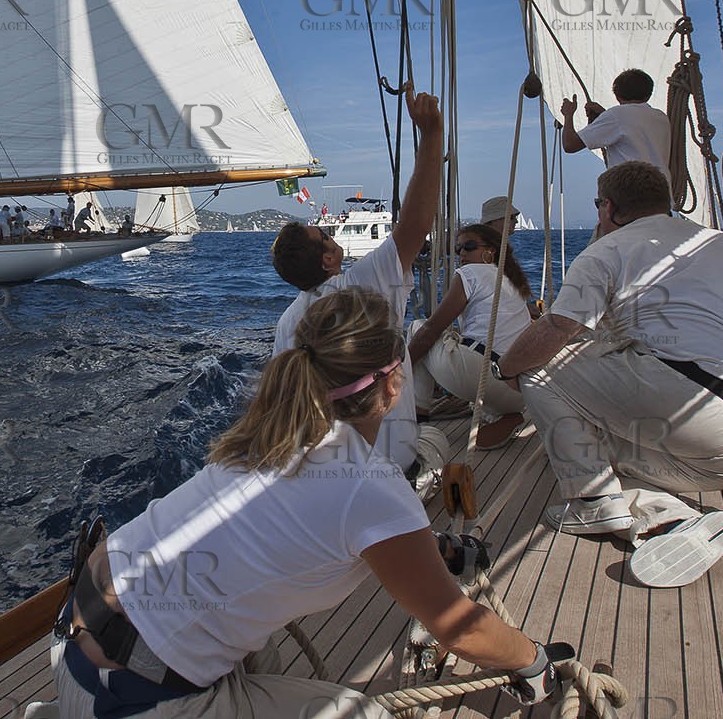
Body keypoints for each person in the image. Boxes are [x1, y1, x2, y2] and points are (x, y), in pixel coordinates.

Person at [54, 287, 561, 719]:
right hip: (133, 699)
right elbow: (459, 629)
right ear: (395, 382)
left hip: (71, 647)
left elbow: (307, 515)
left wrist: (434, 549)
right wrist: (533, 660)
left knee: (260, 654)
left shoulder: (265, 434)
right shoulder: (371, 485)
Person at [491, 161, 723, 587]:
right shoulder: (721, 244)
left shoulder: (605, 252)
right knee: (601, 441)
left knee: (539, 371)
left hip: (703, 430)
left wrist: (505, 367)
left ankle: (593, 502)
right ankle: (663, 512)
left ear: (610, 208)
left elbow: (558, 329)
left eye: (598, 204)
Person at [271, 85, 442, 472]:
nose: (331, 235)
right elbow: (416, 224)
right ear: (330, 257)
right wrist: (432, 135)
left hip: (327, 469)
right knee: (438, 442)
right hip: (391, 465)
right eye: (326, 236)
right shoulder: (361, 285)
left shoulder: (286, 324)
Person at [407, 223, 531, 450]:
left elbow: (431, 331)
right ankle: (512, 416)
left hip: (479, 373)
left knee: (418, 327)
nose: (462, 253)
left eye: (469, 246)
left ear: (490, 251)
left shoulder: (470, 272)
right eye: (458, 249)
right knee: (486, 408)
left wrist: (398, 370)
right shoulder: (513, 282)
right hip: (519, 394)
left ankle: (418, 415)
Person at [560, 68, 672, 178]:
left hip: (632, 190)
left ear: (617, 96)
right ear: (648, 95)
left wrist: (568, 114)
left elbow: (570, 145)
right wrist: (604, 115)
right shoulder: (661, 117)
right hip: (661, 190)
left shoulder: (616, 115)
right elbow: (632, 128)